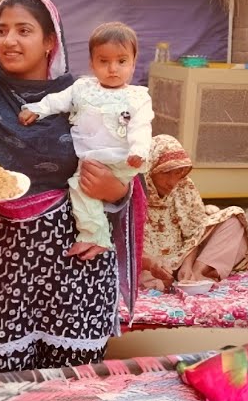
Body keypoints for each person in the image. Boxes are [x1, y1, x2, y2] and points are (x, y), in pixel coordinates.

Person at [0, 0, 147, 373]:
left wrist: (116, 191)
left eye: (24, 30)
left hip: (79, 259)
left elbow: (127, 169)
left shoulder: (89, 97)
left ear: (50, 42)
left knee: (74, 386)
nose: (9, 40)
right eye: (1, 31)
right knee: (4, 383)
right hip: (5, 266)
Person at [19, 21, 153, 253]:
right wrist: (37, 109)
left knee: (89, 192)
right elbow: (56, 101)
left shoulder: (137, 98)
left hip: (123, 160)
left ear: (133, 63)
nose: (113, 69)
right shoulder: (82, 89)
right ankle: (96, 236)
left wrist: (138, 151)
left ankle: (98, 237)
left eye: (121, 61)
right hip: (91, 160)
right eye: (104, 61)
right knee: (80, 191)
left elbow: (141, 128)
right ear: (92, 63)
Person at [141, 134, 248, 292]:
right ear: (150, 169)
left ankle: (196, 275)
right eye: (166, 173)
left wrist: (187, 265)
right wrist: (152, 264)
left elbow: (195, 232)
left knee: (233, 220)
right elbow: (123, 244)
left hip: (183, 257)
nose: (172, 182)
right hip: (149, 265)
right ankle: (162, 283)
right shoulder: (134, 191)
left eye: (178, 173)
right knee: (137, 275)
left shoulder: (183, 186)